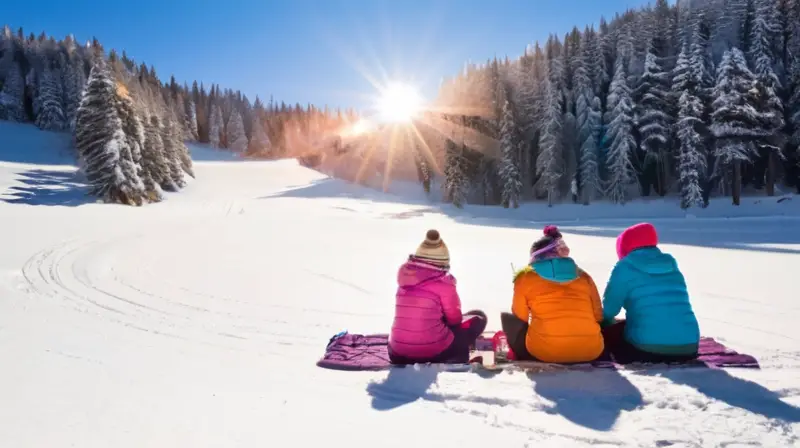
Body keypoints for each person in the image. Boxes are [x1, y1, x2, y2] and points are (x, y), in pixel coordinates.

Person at [500, 225, 604, 363]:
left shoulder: (525, 277)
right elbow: (598, 315)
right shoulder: (584, 276)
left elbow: (520, 317)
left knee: (508, 318)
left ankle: (521, 355)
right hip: (591, 351)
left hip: (546, 353)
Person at [601, 222, 700, 364]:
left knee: (611, 333)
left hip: (647, 349)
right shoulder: (671, 264)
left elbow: (609, 309)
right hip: (689, 345)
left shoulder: (625, 267)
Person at [388, 229, 487, 364]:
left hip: (397, 353)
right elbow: (455, 319)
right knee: (479, 318)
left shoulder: (404, 278)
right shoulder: (444, 282)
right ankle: (456, 356)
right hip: (432, 352)